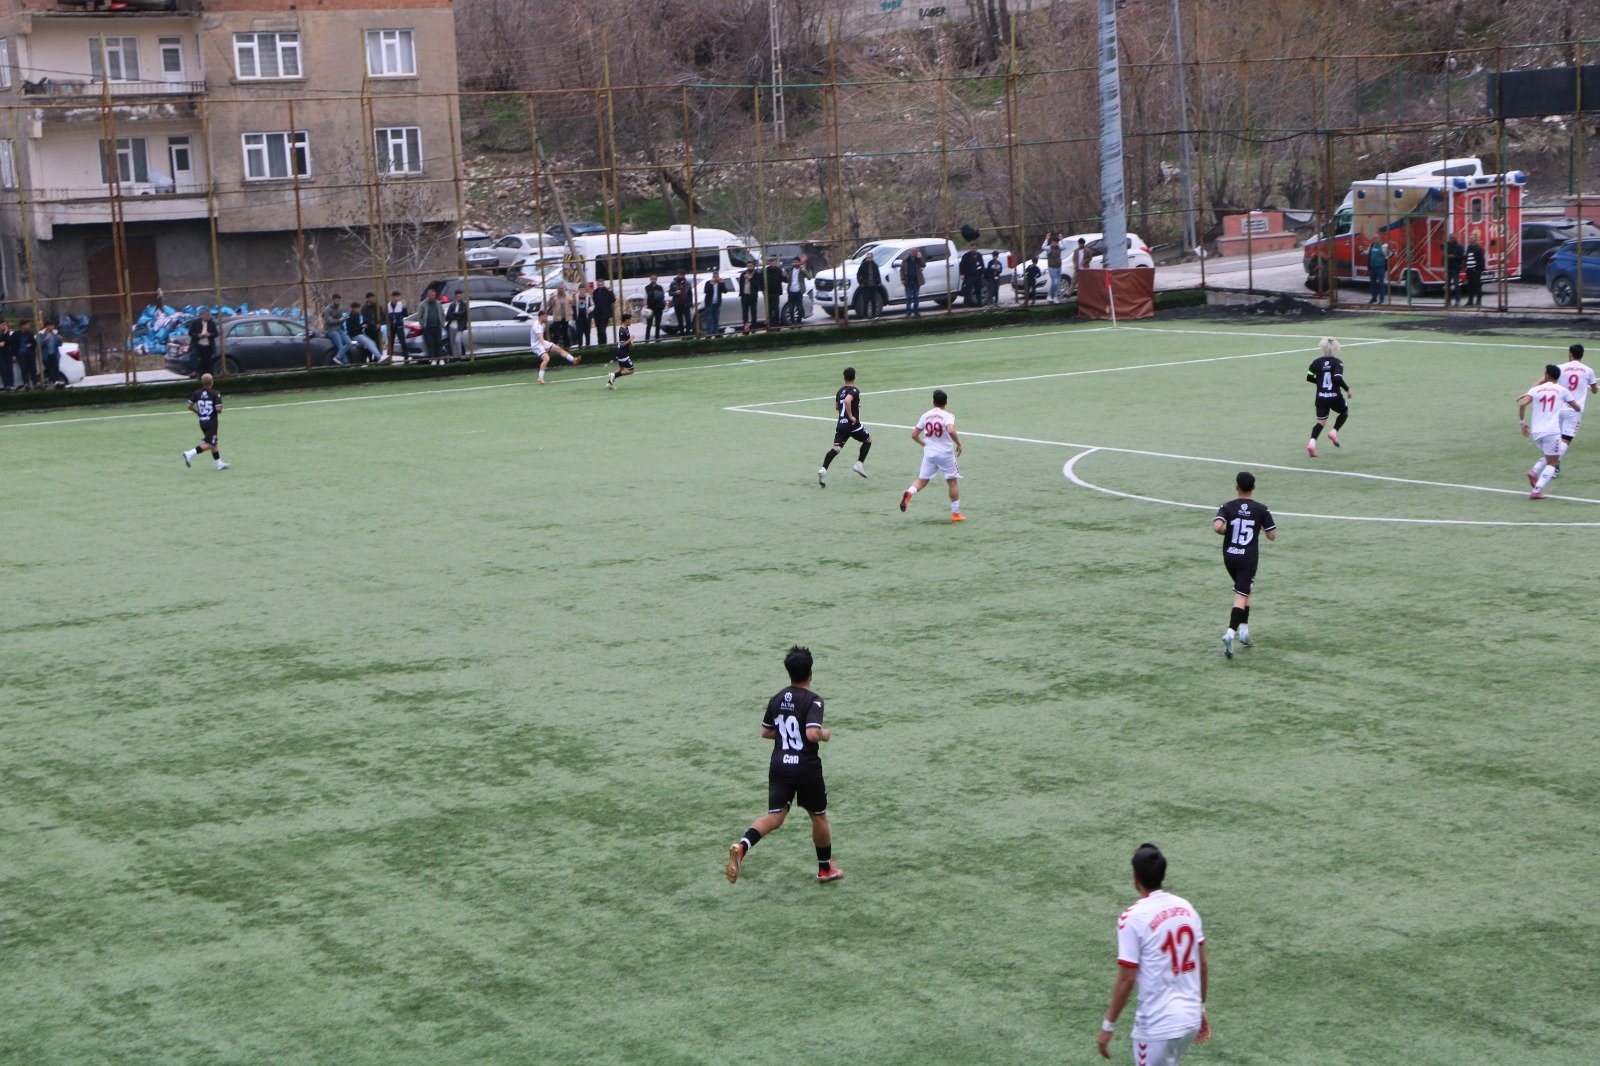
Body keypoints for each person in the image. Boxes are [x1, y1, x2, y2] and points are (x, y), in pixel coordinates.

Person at [724, 645, 843, 886]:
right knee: (818, 817)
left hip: (780, 766)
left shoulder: (777, 698)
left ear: (789, 672)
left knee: (775, 817)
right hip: (806, 769)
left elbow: (766, 732)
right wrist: (825, 733)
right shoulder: (814, 701)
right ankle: (825, 869)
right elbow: (811, 734)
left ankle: (743, 846)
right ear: (810, 672)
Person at [1096, 843, 1210, 1064]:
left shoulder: (1133, 917)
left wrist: (1108, 1025)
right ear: (1164, 874)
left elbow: (1127, 978)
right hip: (1189, 1018)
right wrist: (1201, 1008)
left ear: (1135, 877)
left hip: (1158, 1025)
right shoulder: (1186, 908)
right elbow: (1202, 964)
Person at [1214, 471, 1276, 659]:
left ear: (1236, 487)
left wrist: (1227, 531)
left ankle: (1244, 631)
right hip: (1247, 559)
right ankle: (1230, 633)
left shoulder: (1228, 506)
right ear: (1254, 488)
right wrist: (1261, 527)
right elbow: (1272, 536)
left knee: (1245, 590)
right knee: (1241, 596)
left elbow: (1217, 526)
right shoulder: (1261, 509)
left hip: (1229, 556)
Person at [899, 388, 964, 522]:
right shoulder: (947, 415)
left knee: (922, 480)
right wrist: (959, 444)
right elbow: (951, 430)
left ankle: (909, 493)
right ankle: (955, 514)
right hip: (945, 455)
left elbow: (914, 435)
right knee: (952, 482)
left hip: (929, 454)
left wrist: (924, 444)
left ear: (933, 402)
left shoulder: (926, 415)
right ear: (946, 402)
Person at [1521, 363, 1580, 500]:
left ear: (1547, 376)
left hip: (1536, 433)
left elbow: (1523, 404)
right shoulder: (1562, 390)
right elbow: (1576, 407)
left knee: (1553, 455)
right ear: (1558, 377)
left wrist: (1522, 423)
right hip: (1551, 431)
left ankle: (1534, 471)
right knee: (1553, 461)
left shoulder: (1536, 389)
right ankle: (1536, 490)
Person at [818, 366, 871, 487]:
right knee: (868, 440)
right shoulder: (854, 390)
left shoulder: (839, 390)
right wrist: (851, 415)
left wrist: (854, 406)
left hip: (841, 425)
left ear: (844, 378)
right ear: (854, 377)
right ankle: (859, 464)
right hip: (852, 425)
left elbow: (838, 406)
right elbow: (847, 401)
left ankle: (823, 469)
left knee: (836, 448)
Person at [1306, 336, 1352, 458]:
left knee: (1320, 423)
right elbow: (1337, 378)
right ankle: (1333, 432)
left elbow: (1309, 377)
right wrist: (1347, 389)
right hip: (1335, 396)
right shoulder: (1338, 362)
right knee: (1344, 411)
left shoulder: (1315, 362)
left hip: (1321, 397)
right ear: (1336, 348)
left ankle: (1312, 443)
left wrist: (1319, 382)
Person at [181, 373, 229, 471]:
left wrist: (198, 412)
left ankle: (218, 463)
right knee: (210, 443)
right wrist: (219, 407)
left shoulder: (197, 393)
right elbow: (218, 409)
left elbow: (189, 406)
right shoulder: (215, 393)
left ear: (203, 382)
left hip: (202, 422)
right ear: (212, 382)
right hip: (211, 422)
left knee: (213, 442)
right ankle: (190, 454)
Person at [1557, 344, 1596, 455]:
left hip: (1558, 408)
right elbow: (1594, 391)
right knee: (1566, 439)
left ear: (1571, 354)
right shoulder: (1588, 370)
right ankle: (1552, 463)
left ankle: (1552, 461)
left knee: (1557, 437)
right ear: (1582, 355)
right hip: (1575, 409)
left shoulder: (1560, 367)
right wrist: (1589, 388)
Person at [532, 308, 578, 384]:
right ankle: (540, 378)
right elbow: (540, 338)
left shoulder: (540, 324)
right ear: (541, 316)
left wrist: (547, 345)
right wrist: (545, 347)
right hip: (536, 345)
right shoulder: (537, 326)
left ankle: (573, 360)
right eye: (545, 317)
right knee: (546, 358)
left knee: (558, 348)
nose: (546, 319)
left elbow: (542, 340)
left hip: (541, 342)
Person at [606, 311, 635, 389]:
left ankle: (609, 383)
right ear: (626, 320)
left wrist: (630, 342)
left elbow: (626, 340)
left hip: (623, 352)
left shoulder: (626, 328)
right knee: (631, 370)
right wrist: (630, 340)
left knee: (621, 368)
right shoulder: (622, 331)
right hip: (622, 353)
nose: (631, 321)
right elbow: (622, 344)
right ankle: (614, 375)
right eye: (630, 319)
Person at [187, 308, 218, 377]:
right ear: (202, 315)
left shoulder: (212, 323)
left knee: (206, 361)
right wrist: (198, 335)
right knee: (193, 355)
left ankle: (206, 375)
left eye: (209, 315)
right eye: (207, 315)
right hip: (197, 344)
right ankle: (195, 371)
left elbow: (216, 333)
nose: (208, 316)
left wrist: (209, 334)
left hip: (207, 345)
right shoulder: (195, 322)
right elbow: (190, 333)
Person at [417, 288, 445, 363]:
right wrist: (423, 325)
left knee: (439, 343)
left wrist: (442, 324)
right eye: (432, 295)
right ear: (428, 295)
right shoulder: (422, 304)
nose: (434, 296)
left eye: (434, 295)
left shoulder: (438, 304)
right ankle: (433, 359)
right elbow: (419, 316)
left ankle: (440, 358)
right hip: (427, 328)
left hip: (437, 327)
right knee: (430, 344)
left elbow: (442, 314)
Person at [321, 294, 350, 364]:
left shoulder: (339, 309)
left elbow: (343, 320)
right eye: (337, 301)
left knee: (349, 343)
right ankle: (346, 363)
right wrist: (339, 320)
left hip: (339, 330)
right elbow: (329, 322)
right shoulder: (327, 310)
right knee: (340, 345)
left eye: (339, 301)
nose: (338, 302)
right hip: (330, 330)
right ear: (333, 300)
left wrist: (336, 320)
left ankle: (337, 357)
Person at [39, 320, 66, 388]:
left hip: (54, 354)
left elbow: (59, 344)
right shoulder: (41, 334)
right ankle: (55, 381)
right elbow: (40, 345)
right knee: (50, 369)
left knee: (56, 368)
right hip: (46, 355)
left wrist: (60, 339)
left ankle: (58, 380)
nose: (52, 327)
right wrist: (45, 340)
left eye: (53, 326)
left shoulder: (55, 334)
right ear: (47, 326)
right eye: (51, 326)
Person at [856, 252, 882, 319]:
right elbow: (858, 274)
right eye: (867, 258)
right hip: (866, 285)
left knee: (874, 300)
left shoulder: (875, 265)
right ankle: (865, 316)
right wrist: (861, 283)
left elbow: (878, 274)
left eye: (870, 258)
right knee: (865, 300)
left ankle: (874, 315)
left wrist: (878, 282)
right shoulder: (863, 265)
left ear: (872, 258)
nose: (868, 259)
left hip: (874, 285)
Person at [12, 319, 37, 390]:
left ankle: (35, 383)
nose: (28, 326)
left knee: (32, 369)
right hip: (21, 355)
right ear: (22, 325)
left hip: (29, 354)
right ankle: (26, 383)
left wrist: (31, 345)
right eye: (27, 325)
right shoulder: (15, 334)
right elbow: (13, 345)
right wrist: (14, 355)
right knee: (24, 369)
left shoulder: (29, 333)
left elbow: (35, 343)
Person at [901, 247, 925, 317]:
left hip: (916, 281)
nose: (914, 253)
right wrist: (902, 279)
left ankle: (916, 312)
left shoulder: (918, 259)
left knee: (916, 297)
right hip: (908, 282)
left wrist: (920, 257)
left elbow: (923, 265)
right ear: (911, 252)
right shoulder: (906, 260)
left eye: (915, 251)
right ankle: (908, 312)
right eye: (913, 251)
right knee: (908, 298)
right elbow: (901, 269)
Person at [784, 254, 808, 325]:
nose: (795, 263)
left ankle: (799, 321)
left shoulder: (801, 270)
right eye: (794, 262)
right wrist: (785, 275)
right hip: (791, 292)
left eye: (797, 262)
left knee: (800, 308)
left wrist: (804, 270)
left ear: (799, 262)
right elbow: (787, 279)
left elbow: (810, 277)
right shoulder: (791, 269)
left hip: (799, 292)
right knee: (791, 308)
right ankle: (792, 322)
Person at [763, 256, 785, 330]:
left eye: (774, 263)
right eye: (771, 263)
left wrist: (784, 276)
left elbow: (784, 280)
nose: (773, 264)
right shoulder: (766, 271)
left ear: (776, 263)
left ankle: (777, 324)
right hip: (768, 293)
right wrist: (763, 291)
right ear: (769, 263)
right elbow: (762, 281)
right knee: (769, 310)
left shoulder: (779, 270)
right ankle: (770, 324)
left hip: (776, 293)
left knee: (776, 309)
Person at [446, 289, 470, 358]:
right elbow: (448, 315)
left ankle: (460, 356)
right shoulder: (452, 305)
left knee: (457, 340)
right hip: (452, 325)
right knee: (452, 342)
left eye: (461, 296)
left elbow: (462, 313)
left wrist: (454, 314)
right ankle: (455, 356)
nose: (460, 298)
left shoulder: (464, 304)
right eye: (459, 296)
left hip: (460, 326)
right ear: (456, 297)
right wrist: (456, 316)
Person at [592, 279, 616, 346]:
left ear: (603, 284)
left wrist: (611, 292)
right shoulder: (595, 292)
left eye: (601, 284)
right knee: (598, 331)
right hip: (597, 314)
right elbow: (594, 301)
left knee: (603, 330)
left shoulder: (607, 291)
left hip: (605, 314)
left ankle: (604, 344)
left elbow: (613, 300)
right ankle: (600, 345)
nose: (600, 286)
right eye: (599, 285)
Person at [385, 290, 408, 360]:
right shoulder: (388, 305)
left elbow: (406, 315)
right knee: (391, 342)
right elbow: (385, 316)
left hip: (399, 325)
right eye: (395, 297)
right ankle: (390, 357)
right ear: (392, 297)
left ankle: (406, 357)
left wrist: (404, 307)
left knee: (402, 341)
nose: (397, 298)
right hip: (391, 326)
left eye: (398, 296)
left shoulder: (401, 304)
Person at [1463, 239, 1486, 307]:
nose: (1470, 241)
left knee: (1477, 285)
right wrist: (1466, 267)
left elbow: (1481, 260)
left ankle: (1478, 301)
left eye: (1471, 240)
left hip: (1476, 270)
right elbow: (1466, 258)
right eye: (1470, 240)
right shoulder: (1469, 248)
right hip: (1469, 270)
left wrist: (1477, 269)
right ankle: (1470, 301)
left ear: (1475, 241)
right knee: (1470, 286)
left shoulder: (1478, 249)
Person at [669, 271, 693, 336]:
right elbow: (670, 293)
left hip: (685, 304)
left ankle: (688, 333)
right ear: (678, 274)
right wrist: (675, 292)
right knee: (680, 320)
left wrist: (691, 303)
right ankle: (682, 333)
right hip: (677, 304)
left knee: (688, 319)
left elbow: (690, 294)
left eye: (682, 275)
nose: (681, 276)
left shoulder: (687, 283)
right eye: (680, 275)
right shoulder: (673, 283)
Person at [361, 292, 384, 361]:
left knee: (378, 344)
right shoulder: (364, 308)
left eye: (373, 297)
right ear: (368, 299)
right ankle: (370, 359)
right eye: (371, 298)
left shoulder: (378, 306)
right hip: (369, 329)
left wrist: (379, 323)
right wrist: (374, 325)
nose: (373, 299)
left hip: (377, 329)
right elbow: (366, 319)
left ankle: (377, 359)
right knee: (369, 344)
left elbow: (382, 316)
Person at [644, 274, 666, 341]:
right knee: (649, 324)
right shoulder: (647, 287)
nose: (653, 280)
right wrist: (656, 295)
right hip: (650, 308)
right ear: (650, 279)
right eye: (652, 279)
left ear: (656, 279)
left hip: (658, 307)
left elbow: (662, 296)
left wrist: (655, 295)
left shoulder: (660, 287)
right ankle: (647, 339)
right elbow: (650, 295)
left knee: (658, 324)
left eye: (655, 279)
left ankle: (657, 338)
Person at [702, 271, 724, 336]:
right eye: (714, 276)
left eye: (717, 276)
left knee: (716, 318)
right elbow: (706, 291)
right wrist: (711, 284)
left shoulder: (720, 283)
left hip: (717, 304)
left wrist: (722, 283)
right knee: (709, 319)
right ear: (712, 276)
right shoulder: (708, 283)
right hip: (709, 304)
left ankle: (716, 333)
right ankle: (709, 334)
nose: (715, 278)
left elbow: (725, 291)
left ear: (718, 276)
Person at [1366, 240, 1389, 304]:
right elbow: (1368, 253)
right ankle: (1374, 298)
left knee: (1381, 283)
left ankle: (1381, 298)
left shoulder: (1384, 246)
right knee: (1373, 283)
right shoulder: (1372, 245)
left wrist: (1389, 254)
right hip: (1372, 267)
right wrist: (1362, 251)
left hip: (1380, 267)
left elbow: (1388, 255)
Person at [737, 265, 759, 331]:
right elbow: (741, 284)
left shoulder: (756, 274)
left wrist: (750, 278)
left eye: (751, 266)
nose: (750, 267)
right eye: (748, 266)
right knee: (745, 312)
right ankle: (746, 327)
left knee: (753, 312)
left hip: (752, 296)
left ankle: (753, 327)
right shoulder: (743, 274)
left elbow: (757, 286)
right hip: (745, 296)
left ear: (753, 266)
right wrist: (741, 294)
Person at [1445, 237, 1465, 306]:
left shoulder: (1459, 247)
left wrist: (1454, 257)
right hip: (1449, 268)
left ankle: (1457, 300)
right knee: (1448, 285)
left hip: (1456, 268)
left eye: (1453, 238)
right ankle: (1448, 300)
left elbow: (1462, 257)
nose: (1452, 239)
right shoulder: (1447, 247)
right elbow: (1444, 256)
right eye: (1450, 238)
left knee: (1456, 284)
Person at [1045, 233, 1064, 303]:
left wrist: (1061, 239)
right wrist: (1047, 239)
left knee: (1058, 283)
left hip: (1059, 267)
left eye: (1056, 242)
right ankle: (1049, 295)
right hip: (1052, 268)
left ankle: (1055, 297)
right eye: (1053, 242)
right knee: (1055, 282)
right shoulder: (1049, 248)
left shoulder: (1059, 247)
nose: (1055, 244)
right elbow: (1043, 247)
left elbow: (1065, 246)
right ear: (1051, 242)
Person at [573, 283, 592, 348]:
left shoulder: (588, 296)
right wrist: (574, 317)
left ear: (585, 290)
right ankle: (580, 347)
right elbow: (572, 306)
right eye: (581, 289)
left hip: (587, 318)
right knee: (579, 334)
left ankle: (588, 347)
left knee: (587, 334)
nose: (582, 291)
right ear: (578, 290)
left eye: (583, 289)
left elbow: (593, 305)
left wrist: (590, 309)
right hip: (579, 319)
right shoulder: (576, 297)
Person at [0, 321, 13, 391]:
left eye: (5, 324)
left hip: (7, 354)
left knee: (9, 370)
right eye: (3, 325)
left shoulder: (7, 333)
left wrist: (6, 333)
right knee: (3, 371)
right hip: (1, 355)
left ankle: (11, 385)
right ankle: (6, 385)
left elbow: (9, 343)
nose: (4, 326)